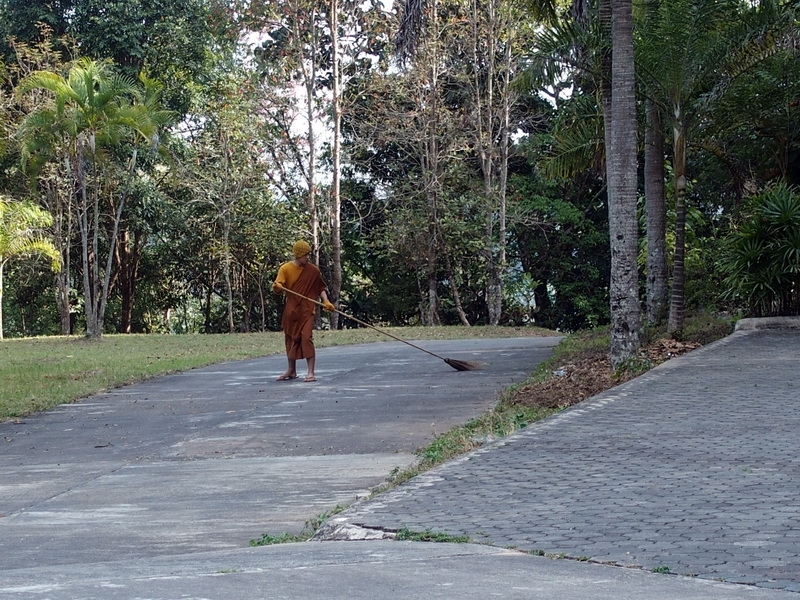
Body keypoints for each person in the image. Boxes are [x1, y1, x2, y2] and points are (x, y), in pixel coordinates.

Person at [272, 240, 335, 382]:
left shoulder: (313, 271)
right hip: (292, 311)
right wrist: (278, 287)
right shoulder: (285, 269)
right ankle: (291, 370)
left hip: (307, 311)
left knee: (306, 338)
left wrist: (326, 301)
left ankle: (311, 372)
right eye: (305, 255)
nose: (308, 257)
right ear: (298, 255)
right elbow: (278, 285)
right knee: (290, 339)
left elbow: (320, 288)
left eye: (308, 255)